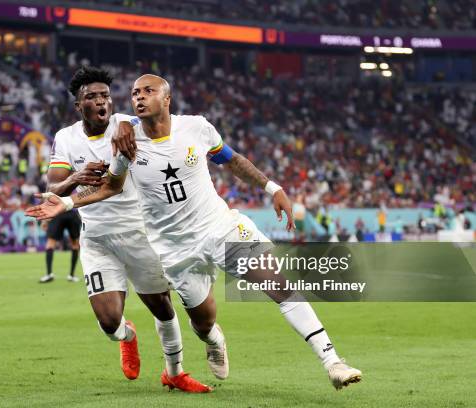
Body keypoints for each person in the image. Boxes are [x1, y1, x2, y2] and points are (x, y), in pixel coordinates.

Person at [27, 74, 362, 390]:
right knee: (203, 323)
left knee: (278, 284)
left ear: (167, 98)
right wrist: (68, 203)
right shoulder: (127, 143)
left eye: (148, 91)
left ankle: (332, 361)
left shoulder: (196, 127)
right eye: (135, 93)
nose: (139, 97)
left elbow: (231, 159)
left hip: (219, 227)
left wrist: (272, 187)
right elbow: (111, 186)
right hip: (175, 250)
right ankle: (213, 339)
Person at [39, 67, 209, 392]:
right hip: (97, 239)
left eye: (105, 95)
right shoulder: (66, 137)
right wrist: (75, 177)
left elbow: (163, 127)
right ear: (79, 105)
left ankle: (175, 371)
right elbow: (53, 186)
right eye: (92, 97)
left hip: (138, 232)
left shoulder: (130, 124)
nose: (102, 102)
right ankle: (127, 336)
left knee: (162, 305)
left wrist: (131, 127)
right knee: (108, 322)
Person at [39, 209, 82, 283]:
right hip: (71, 213)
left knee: (50, 243)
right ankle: (71, 275)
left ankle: (49, 274)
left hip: (58, 212)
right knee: (75, 244)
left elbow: (49, 199)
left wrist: (44, 220)